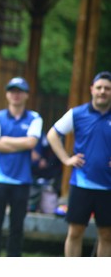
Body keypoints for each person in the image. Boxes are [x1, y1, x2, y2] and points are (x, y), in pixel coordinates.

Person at [46, 71, 111, 257]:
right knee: (75, 232)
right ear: (92, 89)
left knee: (107, 235)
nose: (102, 92)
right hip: (81, 184)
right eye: (99, 88)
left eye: (107, 88)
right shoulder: (77, 113)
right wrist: (67, 159)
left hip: (108, 187)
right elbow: (52, 135)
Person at [0, 77, 43, 256]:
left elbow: (32, 142)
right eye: (12, 90)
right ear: (7, 94)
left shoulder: (35, 117)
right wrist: (21, 143)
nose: (15, 94)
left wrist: (5, 139)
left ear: (26, 95)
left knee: (17, 227)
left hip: (22, 180)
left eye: (19, 91)